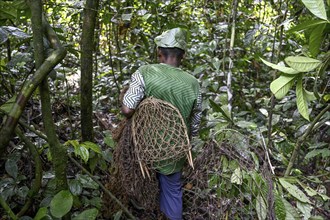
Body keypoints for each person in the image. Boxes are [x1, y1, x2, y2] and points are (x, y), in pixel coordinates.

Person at [121, 27, 202, 220]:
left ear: (159, 53)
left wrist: (123, 95)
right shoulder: (193, 83)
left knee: (144, 186)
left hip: (144, 148)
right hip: (175, 150)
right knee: (172, 191)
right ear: (183, 55)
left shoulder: (145, 72)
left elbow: (127, 110)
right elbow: (195, 121)